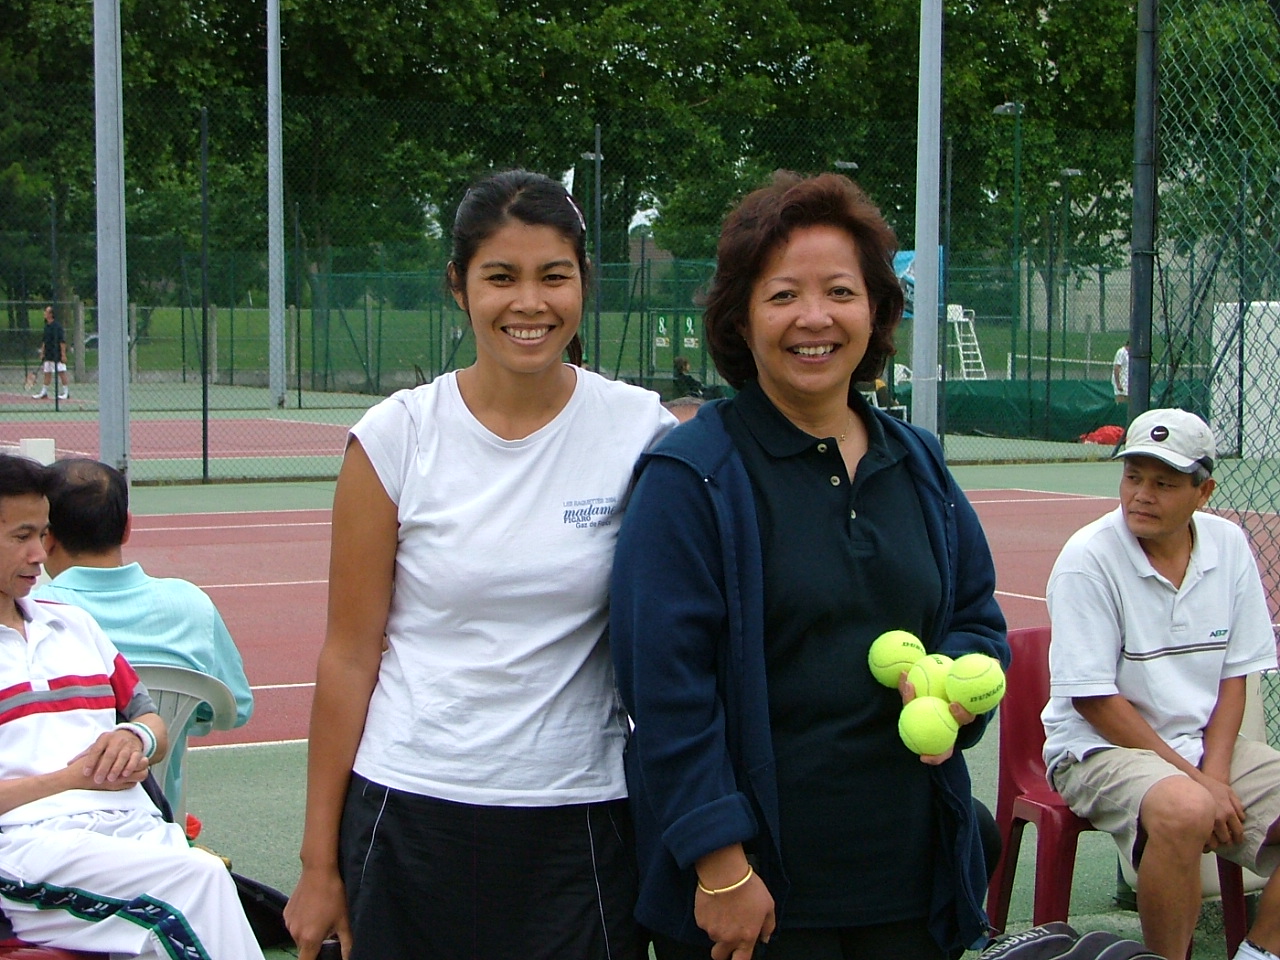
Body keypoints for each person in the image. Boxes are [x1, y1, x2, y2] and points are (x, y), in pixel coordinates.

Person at [610, 171, 1008, 960]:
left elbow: (975, 620)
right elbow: (666, 691)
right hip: (758, 894)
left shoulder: (918, 460)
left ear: (875, 310)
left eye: (841, 292)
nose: (815, 318)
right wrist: (721, 866)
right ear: (742, 318)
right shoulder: (692, 474)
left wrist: (963, 695)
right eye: (784, 295)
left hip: (909, 880)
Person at [284, 170, 676, 960]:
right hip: (411, 812)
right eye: (500, 277)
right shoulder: (395, 437)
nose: (529, 304)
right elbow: (350, 654)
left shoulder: (642, 432)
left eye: (553, 276)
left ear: (584, 284)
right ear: (458, 287)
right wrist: (317, 862)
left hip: (583, 819)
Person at [0, 453, 264, 959]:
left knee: (193, 892)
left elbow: (150, 720)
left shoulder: (73, 622)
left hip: (134, 828)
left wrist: (134, 736)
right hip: (33, 848)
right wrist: (71, 779)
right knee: (200, 880)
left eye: (43, 533)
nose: (39, 553)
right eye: (21, 537)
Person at [1043, 407, 1280, 960]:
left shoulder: (1229, 545)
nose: (1141, 495)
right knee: (1186, 809)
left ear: (1204, 492)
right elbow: (1095, 700)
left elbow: (1234, 675)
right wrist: (1199, 784)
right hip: (1096, 749)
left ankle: (1259, 953)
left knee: (1198, 798)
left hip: (1200, 746)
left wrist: (1214, 774)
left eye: (1164, 483)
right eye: (1133, 477)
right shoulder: (1088, 558)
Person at [33, 458, 254, 808]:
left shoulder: (28, 614)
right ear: (126, 528)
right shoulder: (193, 603)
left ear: (45, 538)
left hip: (47, 821)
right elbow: (235, 709)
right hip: (160, 819)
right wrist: (173, 717)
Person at [33, 305, 69, 401]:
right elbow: (44, 341)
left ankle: (66, 393)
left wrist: (63, 354)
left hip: (57, 354)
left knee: (61, 373)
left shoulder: (58, 327)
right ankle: (44, 393)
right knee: (47, 373)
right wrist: (42, 352)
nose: (44, 313)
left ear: (51, 314)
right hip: (48, 355)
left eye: (46, 312)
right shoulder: (46, 326)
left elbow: (62, 342)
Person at [1112, 339, 1130, 403]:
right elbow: (1116, 368)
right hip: (1122, 383)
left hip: (1129, 383)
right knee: (1121, 402)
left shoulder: (1132, 354)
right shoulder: (1121, 352)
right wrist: (1118, 384)